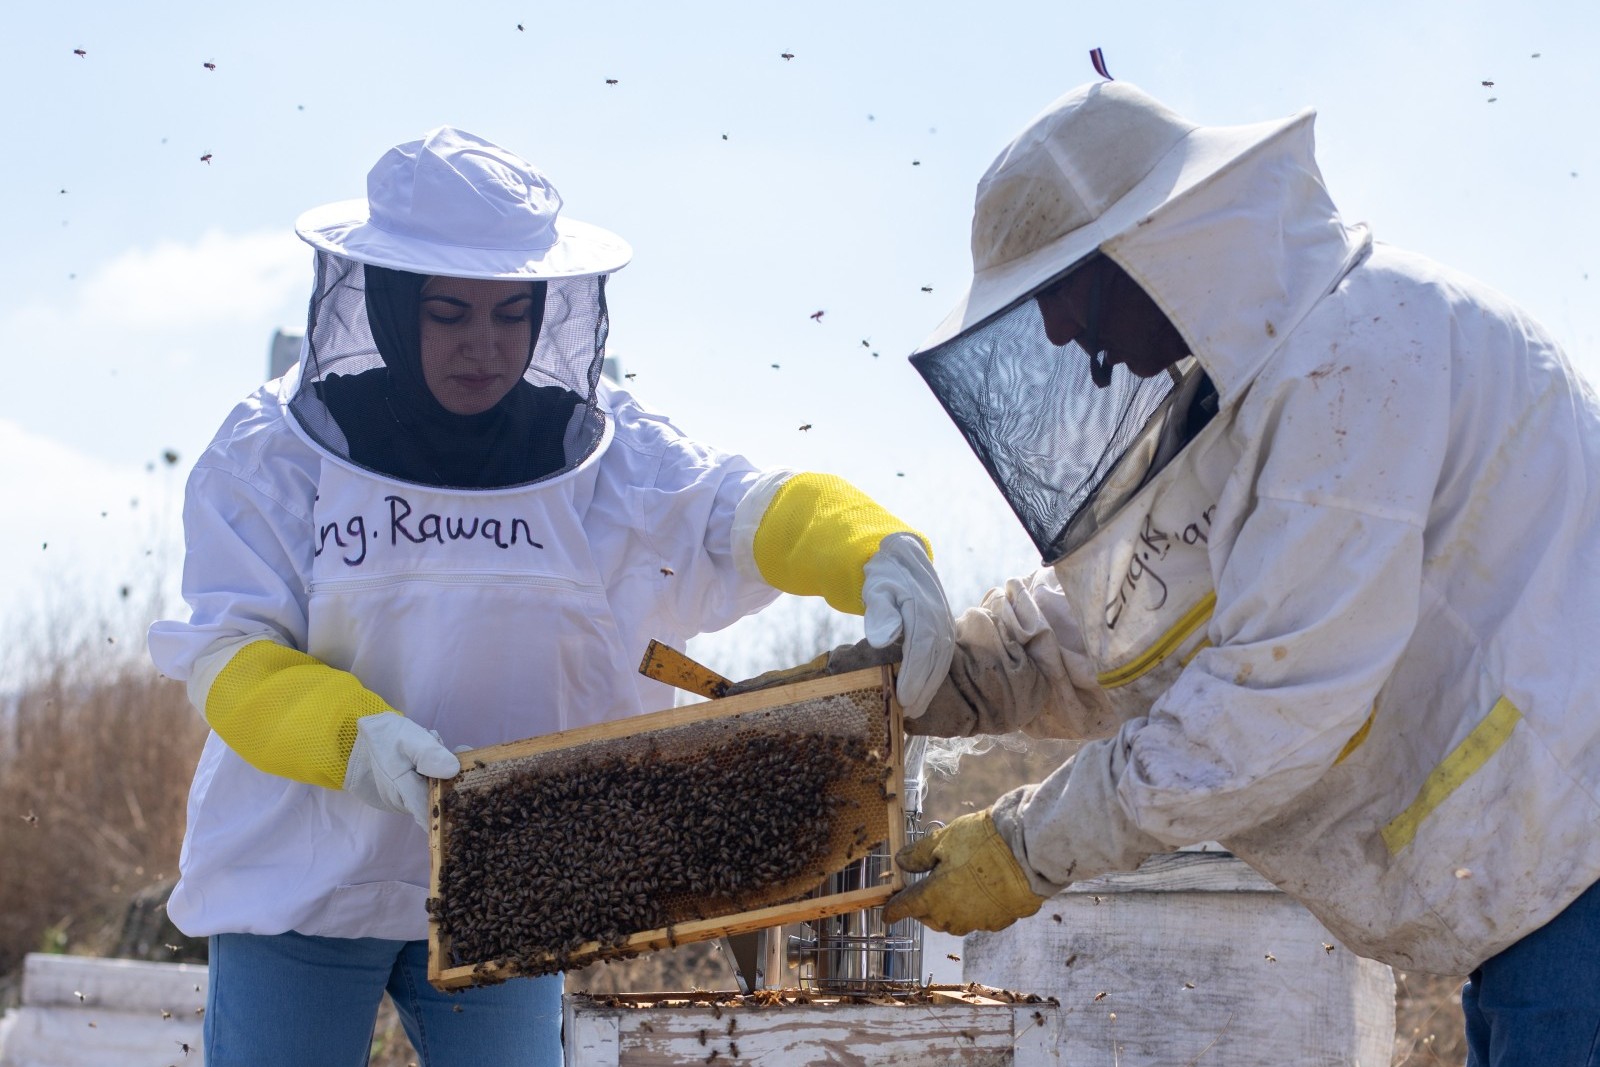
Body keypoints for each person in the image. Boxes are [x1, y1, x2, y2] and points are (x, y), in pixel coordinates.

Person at [147, 126, 953, 1067]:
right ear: (388, 305)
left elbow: (742, 508)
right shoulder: (272, 451)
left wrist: (875, 548)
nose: (482, 346)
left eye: (509, 314)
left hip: (516, 879)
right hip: (302, 877)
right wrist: (351, 739)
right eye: (448, 313)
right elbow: (228, 653)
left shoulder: (611, 457)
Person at [881, 80, 1600, 1065]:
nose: (1054, 336)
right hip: (1540, 906)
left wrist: (1024, 842)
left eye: (1059, 295)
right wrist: (938, 674)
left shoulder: (1356, 358)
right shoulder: (1262, 394)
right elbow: (1131, 611)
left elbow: (1269, 704)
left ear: (1152, 251)